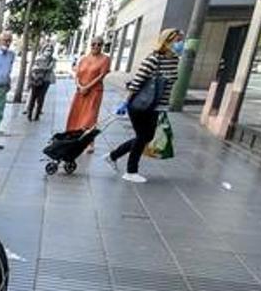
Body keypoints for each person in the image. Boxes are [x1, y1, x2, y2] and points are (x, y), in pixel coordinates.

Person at [104, 28, 183, 184]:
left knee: (146, 136)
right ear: (167, 41)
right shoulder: (153, 59)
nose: (181, 44)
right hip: (141, 105)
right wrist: (126, 102)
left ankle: (113, 156)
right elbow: (136, 83)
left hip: (156, 106)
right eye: (178, 41)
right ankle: (130, 171)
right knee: (143, 136)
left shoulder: (174, 60)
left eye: (181, 40)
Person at [65, 37, 111, 151]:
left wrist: (87, 87)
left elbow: (101, 76)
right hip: (80, 92)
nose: (96, 46)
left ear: (102, 46)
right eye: (93, 44)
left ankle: (90, 143)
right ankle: (73, 137)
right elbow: (77, 75)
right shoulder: (84, 59)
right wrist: (80, 86)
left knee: (90, 117)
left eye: (99, 44)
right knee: (76, 114)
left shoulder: (105, 59)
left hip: (94, 92)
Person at [25, 41, 55, 121]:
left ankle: (37, 115)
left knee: (41, 98)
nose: (48, 52)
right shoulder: (38, 58)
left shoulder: (52, 60)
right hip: (36, 79)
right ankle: (29, 114)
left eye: (50, 50)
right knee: (33, 97)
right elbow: (34, 69)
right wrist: (41, 70)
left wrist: (40, 69)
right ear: (43, 50)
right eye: (47, 50)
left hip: (46, 80)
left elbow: (50, 68)